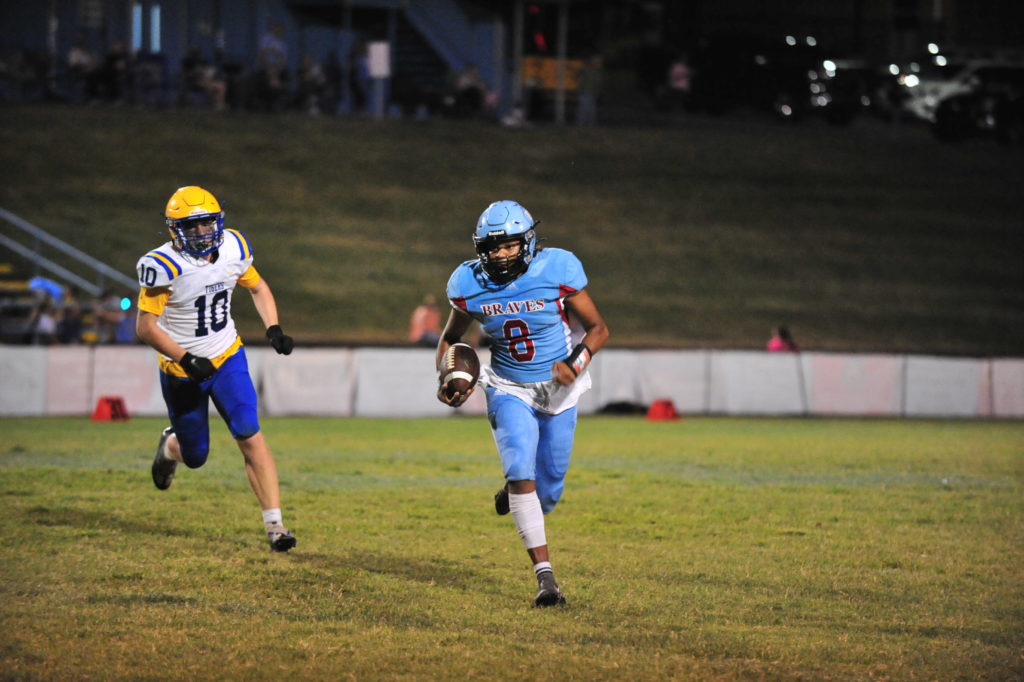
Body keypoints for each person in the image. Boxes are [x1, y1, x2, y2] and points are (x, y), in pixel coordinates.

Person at [436, 200, 609, 607]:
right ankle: (546, 579)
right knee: (520, 472)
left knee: (547, 492)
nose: (500, 254)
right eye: (492, 247)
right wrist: (446, 377)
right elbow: (450, 341)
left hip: (559, 390)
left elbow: (598, 328)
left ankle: (515, 490)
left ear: (527, 242)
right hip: (507, 386)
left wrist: (574, 364)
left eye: (509, 245)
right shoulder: (468, 283)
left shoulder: (557, 269)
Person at [135, 186, 298, 552]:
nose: (201, 232)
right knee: (196, 456)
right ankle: (171, 446)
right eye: (191, 226)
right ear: (175, 229)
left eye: (207, 223)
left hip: (227, 356)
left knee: (249, 431)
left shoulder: (233, 247)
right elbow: (145, 327)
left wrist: (273, 328)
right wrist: (185, 358)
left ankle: (276, 526)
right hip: (182, 370)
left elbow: (258, 287)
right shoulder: (164, 265)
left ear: (218, 221)